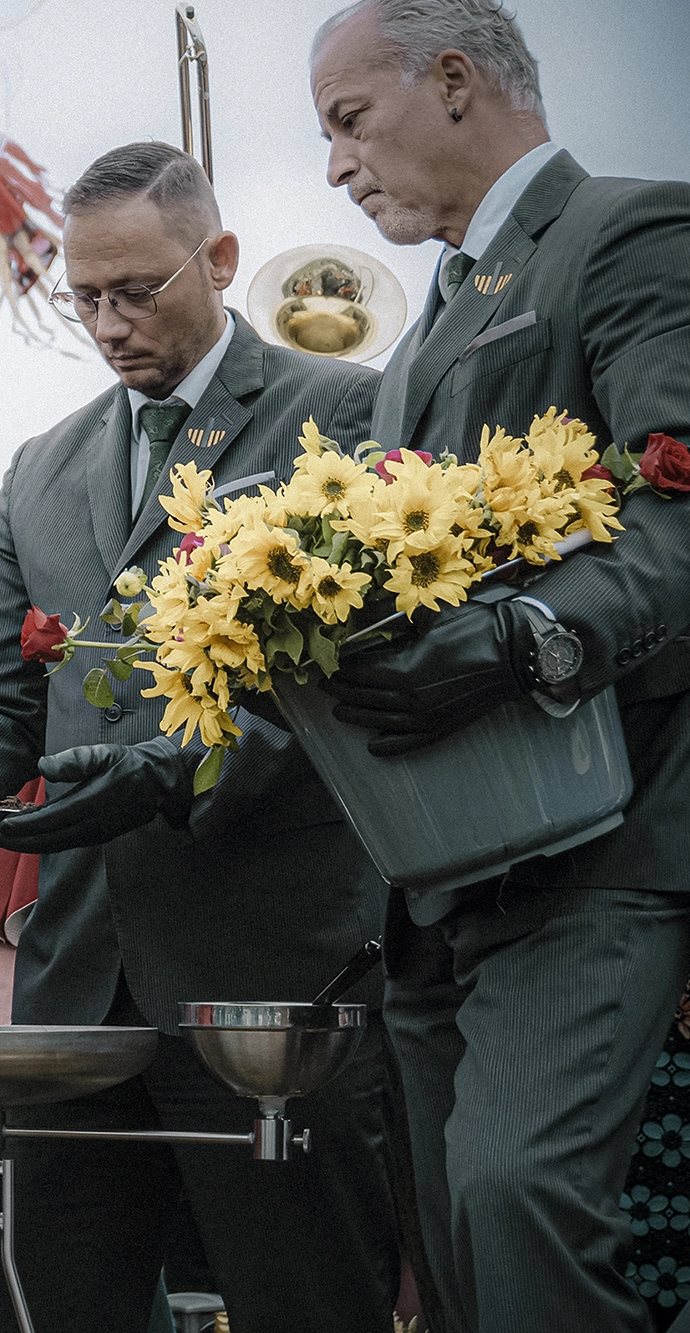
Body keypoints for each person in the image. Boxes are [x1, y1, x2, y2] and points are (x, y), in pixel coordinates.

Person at [0, 142, 399, 1333]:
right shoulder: (43, 467)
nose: (105, 322)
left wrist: (161, 774)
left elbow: (348, 680)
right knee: (45, 1307)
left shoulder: (342, 413)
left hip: (269, 968)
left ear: (219, 258)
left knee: (307, 1303)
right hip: (76, 980)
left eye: (136, 290)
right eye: (81, 295)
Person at [308, 3, 690, 1328]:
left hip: (607, 840)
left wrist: (524, 638)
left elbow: (680, 512)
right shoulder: (416, 339)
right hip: (440, 890)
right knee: (465, 1266)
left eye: (349, 122)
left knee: (516, 1198)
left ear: (456, 82)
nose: (336, 167)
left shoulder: (633, 232)